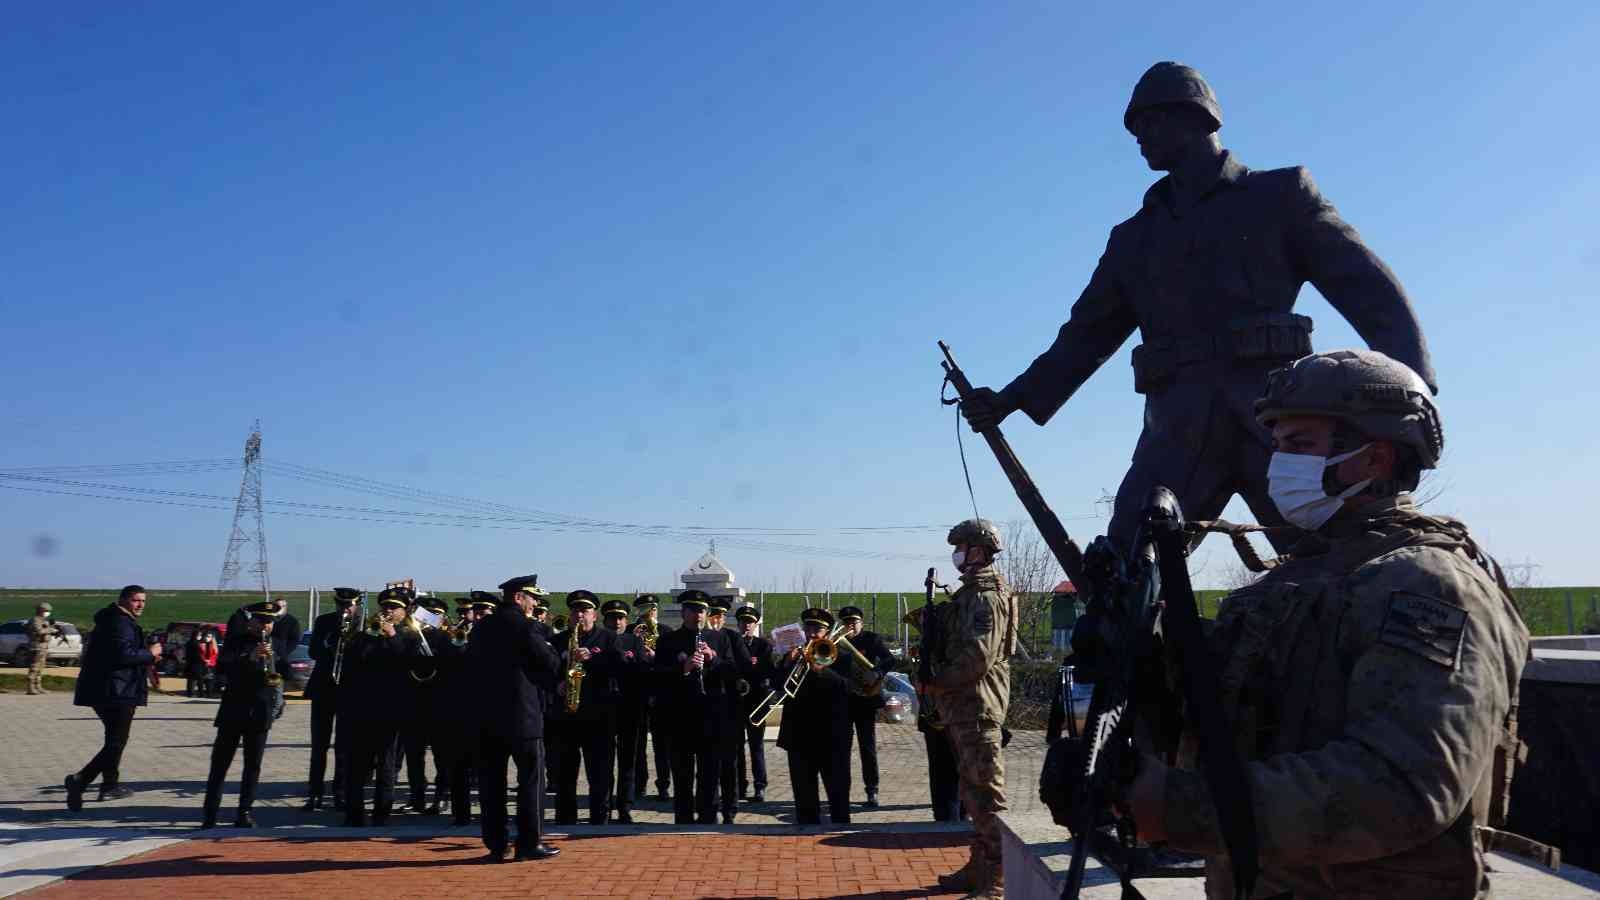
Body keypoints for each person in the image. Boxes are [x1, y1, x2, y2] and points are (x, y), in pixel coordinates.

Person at [958, 61, 1437, 556]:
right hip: (1176, 428)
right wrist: (1013, 397)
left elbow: (1366, 285)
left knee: (1337, 559)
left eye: (1149, 122)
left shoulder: (1278, 196)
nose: (1139, 137)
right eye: (1134, 128)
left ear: (1196, 117)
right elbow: (1086, 334)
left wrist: (1410, 396)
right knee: (1125, 575)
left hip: (1274, 423)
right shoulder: (1134, 238)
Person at [1113, 349, 1530, 899]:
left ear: (1374, 458)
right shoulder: (1290, 583)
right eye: (1279, 445)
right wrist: (1147, 658)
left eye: (1301, 446)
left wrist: (1176, 805)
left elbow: (1399, 788)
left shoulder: (1430, 586)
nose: (1278, 463)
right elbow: (1229, 722)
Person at [924, 520, 1016, 899]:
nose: (957, 553)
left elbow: (978, 656)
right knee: (972, 793)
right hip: (962, 707)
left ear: (978, 550)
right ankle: (980, 864)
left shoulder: (987, 596)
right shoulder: (968, 594)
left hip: (977, 705)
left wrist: (937, 680)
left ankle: (997, 877)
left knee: (987, 795)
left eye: (961, 546)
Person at [468, 574, 561, 862]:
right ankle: (529, 843)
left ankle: (497, 845)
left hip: (485, 716)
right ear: (519, 597)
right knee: (531, 782)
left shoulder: (482, 626)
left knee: (491, 784)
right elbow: (548, 663)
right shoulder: (527, 626)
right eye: (532, 598)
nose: (535, 603)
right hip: (522, 716)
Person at [66, 585, 162, 810]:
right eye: (136, 600)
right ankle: (80, 780)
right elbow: (123, 654)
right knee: (117, 741)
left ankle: (109, 785)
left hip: (112, 688)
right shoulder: (119, 622)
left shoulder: (116, 620)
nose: (140, 605)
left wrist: (146, 656)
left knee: (114, 740)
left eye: (143, 601)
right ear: (123, 600)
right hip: (116, 690)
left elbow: (121, 651)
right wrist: (151, 653)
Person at [341, 586, 425, 826]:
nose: (388, 611)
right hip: (363, 708)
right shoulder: (365, 634)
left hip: (392, 709)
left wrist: (392, 636)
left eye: (394, 608)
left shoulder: (410, 636)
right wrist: (369, 636)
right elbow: (354, 661)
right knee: (357, 764)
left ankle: (382, 813)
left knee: (386, 765)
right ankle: (354, 813)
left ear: (405, 610)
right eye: (385, 606)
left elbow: (412, 665)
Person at [652, 589, 736, 824]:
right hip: (680, 715)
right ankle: (683, 816)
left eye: (701, 610)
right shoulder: (668, 640)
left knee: (710, 771)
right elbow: (657, 675)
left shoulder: (720, 638)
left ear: (707, 613)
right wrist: (684, 668)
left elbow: (733, 673)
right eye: (692, 610)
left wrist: (714, 660)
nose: (697, 615)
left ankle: (709, 816)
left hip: (711, 714)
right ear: (683, 612)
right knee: (682, 772)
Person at [201, 601, 283, 829]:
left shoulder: (273, 643)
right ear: (252, 621)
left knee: (253, 765)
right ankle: (210, 813)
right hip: (234, 710)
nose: (265, 626)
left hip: (260, 711)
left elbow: (279, 673)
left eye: (269, 622)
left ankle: (244, 811)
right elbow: (224, 668)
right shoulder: (235, 640)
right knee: (220, 764)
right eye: (261, 621)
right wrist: (251, 657)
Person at [775, 607, 854, 825]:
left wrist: (820, 669)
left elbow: (846, 688)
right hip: (799, 736)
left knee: (838, 800)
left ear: (827, 633)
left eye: (817, 629)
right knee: (804, 802)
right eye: (808, 627)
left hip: (832, 736)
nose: (811, 633)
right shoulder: (792, 656)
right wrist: (786, 663)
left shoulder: (842, 656)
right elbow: (775, 685)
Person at [549, 589, 621, 825]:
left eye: (585, 610)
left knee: (600, 773)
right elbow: (544, 671)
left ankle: (600, 820)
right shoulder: (559, 640)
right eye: (576, 610)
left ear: (595, 615)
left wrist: (593, 658)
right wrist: (555, 684)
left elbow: (621, 668)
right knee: (564, 773)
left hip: (599, 715)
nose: (580, 614)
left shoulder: (609, 639)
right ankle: (564, 819)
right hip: (565, 716)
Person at [303, 588, 358, 810]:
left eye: (349, 605)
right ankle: (315, 793)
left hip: (349, 690)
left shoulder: (362, 623)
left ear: (356, 605)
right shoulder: (324, 621)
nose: (344, 609)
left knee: (344, 746)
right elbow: (313, 652)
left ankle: (340, 793)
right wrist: (329, 643)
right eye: (341, 605)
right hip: (324, 688)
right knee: (319, 745)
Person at [837, 605, 895, 809]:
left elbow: (890, 659)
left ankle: (872, 790)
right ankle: (841, 791)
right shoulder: (837, 642)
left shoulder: (871, 639)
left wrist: (877, 673)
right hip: (844, 699)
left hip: (866, 698)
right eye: (846, 623)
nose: (850, 626)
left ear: (861, 622)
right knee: (841, 749)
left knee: (867, 747)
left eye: (854, 622)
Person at [604, 598, 652, 823]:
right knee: (603, 762)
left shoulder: (634, 641)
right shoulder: (600, 639)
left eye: (621, 618)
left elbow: (644, 671)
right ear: (605, 620)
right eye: (612, 618)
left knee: (627, 761)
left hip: (629, 707)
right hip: (603, 708)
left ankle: (625, 806)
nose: (617, 622)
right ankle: (603, 806)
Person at [708, 597, 754, 824]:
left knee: (729, 763)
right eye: (711, 614)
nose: (714, 619)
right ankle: (709, 806)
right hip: (703, 708)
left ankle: (730, 808)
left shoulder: (732, 637)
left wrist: (719, 664)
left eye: (719, 615)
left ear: (724, 618)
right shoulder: (696, 637)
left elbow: (745, 667)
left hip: (728, 706)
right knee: (707, 764)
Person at [631, 593, 672, 802]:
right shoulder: (633, 632)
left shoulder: (666, 632)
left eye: (653, 610)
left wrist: (656, 658)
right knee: (637, 745)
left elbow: (673, 664)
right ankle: (639, 784)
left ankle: (663, 785)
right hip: (638, 694)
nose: (650, 613)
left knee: (661, 745)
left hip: (660, 695)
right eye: (646, 610)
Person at [734, 605, 774, 803]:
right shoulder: (732, 642)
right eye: (743, 622)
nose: (746, 625)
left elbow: (767, 671)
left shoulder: (763, 645)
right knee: (737, 746)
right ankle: (740, 785)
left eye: (750, 622)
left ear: (755, 624)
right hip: (736, 702)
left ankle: (760, 786)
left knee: (756, 746)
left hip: (756, 701)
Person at [26, 602, 62, 695]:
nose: (47, 613)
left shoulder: (43, 620)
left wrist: (54, 630)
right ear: (41, 610)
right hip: (36, 646)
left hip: (43, 646)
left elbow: (46, 631)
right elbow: (39, 631)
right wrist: (51, 630)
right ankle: (30, 687)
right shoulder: (35, 620)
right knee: (34, 667)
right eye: (46, 611)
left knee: (40, 667)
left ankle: (38, 686)